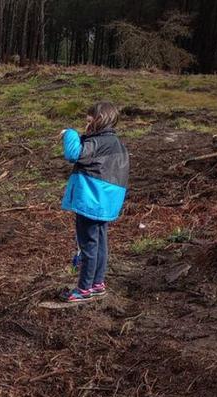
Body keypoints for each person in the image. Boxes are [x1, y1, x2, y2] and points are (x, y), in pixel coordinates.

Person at [59, 102, 129, 303]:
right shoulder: (114, 142)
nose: (85, 124)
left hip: (91, 200)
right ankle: (97, 283)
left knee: (89, 244)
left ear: (99, 121)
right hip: (105, 202)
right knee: (100, 243)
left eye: (88, 121)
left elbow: (73, 154)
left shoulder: (99, 143)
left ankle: (84, 289)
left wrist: (69, 133)